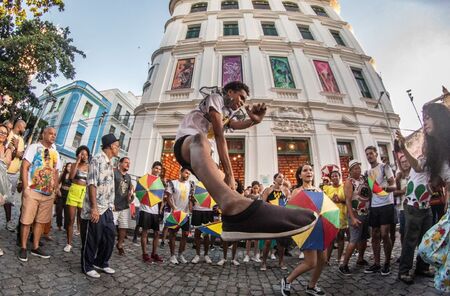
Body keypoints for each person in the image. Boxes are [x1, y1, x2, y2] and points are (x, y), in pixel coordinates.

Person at [173, 81, 316, 241]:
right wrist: (229, 172)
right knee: (200, 139)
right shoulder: (216, 98)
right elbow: (220, 135)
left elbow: (235, 124)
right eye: (240, 97)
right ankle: (232, 205)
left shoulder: (227, 113)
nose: (241, 103)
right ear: (229, 92)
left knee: (230, 188)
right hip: (186, 143)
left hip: (203, 156)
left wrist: (254, 121)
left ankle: (236, 221)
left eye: (244, 100)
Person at [416, 103, 450, 293]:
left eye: (427, 118)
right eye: (423, 119)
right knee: (426, 248)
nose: (424, 123)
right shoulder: (436, 152)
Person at [281, 164, 326, 296]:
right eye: (305, 170)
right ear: (300, 175)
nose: (309, 172)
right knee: (311, 262)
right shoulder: (297, 191)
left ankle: (312, 286)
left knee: (322, 259)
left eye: (311, 170)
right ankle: (287, 280)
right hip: (307, 228)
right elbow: (291, 211)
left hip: (320, 226)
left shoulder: (319, 190)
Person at [395, 132, 434, 284]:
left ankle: (422, 267)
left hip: (426, 206)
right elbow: (417, 168)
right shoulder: (422, 160)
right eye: (425, 145)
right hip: (413, 206)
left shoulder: (436, 163)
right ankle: (403, 271)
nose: (425, 147)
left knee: (426, 240)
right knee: (410, 240)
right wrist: (403, 147)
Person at [18, 127, 61, 262]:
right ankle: (23, 247)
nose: (53, 136)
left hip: (48, 194)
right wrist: (25, 188)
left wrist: (54, 189)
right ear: (43, 134)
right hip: (32, 190)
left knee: (41, 221)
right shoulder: (33, 147)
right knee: (26, 220)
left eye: (55, 134)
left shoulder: (55, 153)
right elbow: (24, 167)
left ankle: (35, 247)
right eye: (50, 133)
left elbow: (56, 172)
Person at [80, 134, 119, 278]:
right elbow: (92, 184)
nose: (119, 148)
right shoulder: (97, 159)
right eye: (117, 145)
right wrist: (94, 208)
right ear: (110, 146)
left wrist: (112, 203)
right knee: (92, 238)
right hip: (96, 207)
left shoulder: (110, 162)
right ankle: (87, 266)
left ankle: (101, 262)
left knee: (110, 236)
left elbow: (108, 185)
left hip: (107, 207)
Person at [364, 146, 396, 276]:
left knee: (384, 234)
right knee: (375, 235)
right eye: (367, 154)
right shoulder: (368, 172)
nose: (369, 156)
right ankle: (377, 264)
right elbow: (371, 192)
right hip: (374, 206)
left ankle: (387, 263)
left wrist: (384, 188)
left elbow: (393, 186)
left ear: (376, 154)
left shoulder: (385, 167)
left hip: (386, 205)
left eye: (371, 153)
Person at [339, 160, 371, 275]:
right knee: (353, 240)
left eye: (359, 167)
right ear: (350, 170)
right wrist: (352, 218)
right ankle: (344, 264)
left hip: (366, 212)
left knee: (364, 238)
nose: (358, 170)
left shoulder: (363, 179)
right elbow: (347, 201)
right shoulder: (349, 182)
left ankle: (360, 259)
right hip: (355, 214)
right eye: (355, 168)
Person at [260, 173, 291, 271]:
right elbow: (262, 204)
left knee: (281, 243)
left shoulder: (286, 190)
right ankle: (263, 263)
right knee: (268, 242)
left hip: (281, 218)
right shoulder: (268, 190)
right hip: (270, 217)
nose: (282, 179)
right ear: (274, 179)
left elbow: (289, 204)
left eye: (283, 177)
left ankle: (281, 262)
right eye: (279, 177)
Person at [165, 167, 194, 265]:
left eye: (189, 174)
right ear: (180, 172)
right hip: (175, 213)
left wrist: (190, 209)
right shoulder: (172, 183)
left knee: (185, 235)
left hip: (185, 214)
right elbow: (168, 198)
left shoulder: (190, 185)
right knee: (172, 234)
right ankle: (172, 256)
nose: (187, 175)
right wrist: (173, 207)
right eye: (186, 173)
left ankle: (180, 254)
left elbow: (190, 198)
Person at [64, 145, 90, 253]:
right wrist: (77, 161)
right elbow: (71, 177)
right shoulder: (75, 164)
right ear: (79, 154)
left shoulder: (90, 167)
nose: (84, 156)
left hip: (84, 193)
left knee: (82, 219)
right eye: (82, 153)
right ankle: (69, 243)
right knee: (71, 219)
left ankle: (83, 242)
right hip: (74, 191)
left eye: (86, 154)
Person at [139, 161, 164, 263]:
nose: (157, 170)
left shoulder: (160, 182)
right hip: (145, 209)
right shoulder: (145, 178)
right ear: (152, 168)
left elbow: (161, 198)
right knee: (145, 232)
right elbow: (140, 193)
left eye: (159, 169)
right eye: (156, 168)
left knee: (157, 233)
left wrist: (160, 210)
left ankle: (154, 253)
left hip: (155, 211)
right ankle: (145, 254)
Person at [5, 119, 26, 232]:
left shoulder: (21, 140)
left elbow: (21, 155)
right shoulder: (8, 133)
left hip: (13, 174)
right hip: (3, 169)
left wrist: (16, 148)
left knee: (8, 198)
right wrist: (15, 150)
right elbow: (5, 147)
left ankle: (8, 222)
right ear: (19, 126)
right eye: (24, 127)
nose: (25, 129)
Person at [323, 170, 347, 265]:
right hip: (330, 215)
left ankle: (339, 258)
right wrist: (331, 200)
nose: (334, 178)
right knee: (330, 238)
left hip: (342, 214)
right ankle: (327, 259)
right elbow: (323, 201)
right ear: (330, 178)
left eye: (336, 176)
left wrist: (340, 200)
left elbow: (348, 199)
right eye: (332, 176)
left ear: (339, 177)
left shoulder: (344, 187)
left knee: (341, 237)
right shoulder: (327, 188)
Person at [113, 157, 133, 256]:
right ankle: (106, 243)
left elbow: (130, 192)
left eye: (129, 163)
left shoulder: (129, 177)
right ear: (120, 163)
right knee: (110, 227)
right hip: (114, 205)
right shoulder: (114, 173)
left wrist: (131, 196)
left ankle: (120, 245)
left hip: (124, 206)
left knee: (123, 227)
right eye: (126, 162)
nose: (128, 164)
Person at [0, 124, 13, 256]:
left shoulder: (6, 149)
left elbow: (7, 163)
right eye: (0, 132)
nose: (3, 134)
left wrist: (9, 149)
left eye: (5, 133)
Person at [243, 180, 262, 263]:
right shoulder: (249, 196)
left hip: (258, 217)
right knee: (249, 238)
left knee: (257, 238)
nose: (255, 190)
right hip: (250, 217)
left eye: (256, 188)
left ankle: (255, 255)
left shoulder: (261, 196)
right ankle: (247, 255)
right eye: (254, 188)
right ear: (252, 188)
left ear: (259, 188)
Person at [394, 156, 410, 247]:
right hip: (403, 208)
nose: (405, 163)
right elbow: (393, 193)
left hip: (414, 207)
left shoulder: (414, 174)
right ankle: (404, 253)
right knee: (403, 232)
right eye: (402, 162)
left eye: (406, 161)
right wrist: (402, 191)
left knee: (415, 232)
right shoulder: (399, 177)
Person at [56, 163, 72, 231]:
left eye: (71, 167)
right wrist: (58, 190)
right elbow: (57, 183)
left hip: (69, 195)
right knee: (59, 210)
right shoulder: (63, 174)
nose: (69, 168)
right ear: (66, 167)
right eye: (68, 166)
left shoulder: (73, 176)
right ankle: (59, 225)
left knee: (67, 212)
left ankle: (66, 227)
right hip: (61, 193)